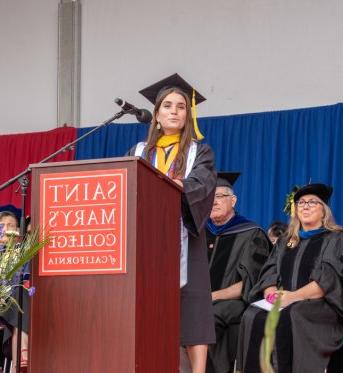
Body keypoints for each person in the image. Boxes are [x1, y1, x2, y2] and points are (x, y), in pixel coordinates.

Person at [127, 73, 217, 373]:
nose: (175, 111)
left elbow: (202, 182)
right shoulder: (138, 152)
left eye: (181, 106)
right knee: (146, 307)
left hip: (185, 237)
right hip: (144, 241)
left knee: (193, 310)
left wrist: (174, 184)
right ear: (156, 114)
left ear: (188, 115)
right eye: (167, 105)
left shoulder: (198, 151)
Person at [236, 183, 343, 373]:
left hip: (322, 305)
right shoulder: (286, 240)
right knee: (252, 314)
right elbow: (269, 272)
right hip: (285, 300)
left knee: (291, 315)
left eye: (312, 202)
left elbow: (328, 281)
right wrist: (271, 294)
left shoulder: (336, 239)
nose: (305, 206)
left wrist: (292, 297)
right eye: (301, 202)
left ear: (324, 211)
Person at [206, 172, 271, 373]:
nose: (213, 202)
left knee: (207, 315)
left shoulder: (251, 233)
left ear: (233, 200)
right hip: (200, 300)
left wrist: (212, 296)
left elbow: (251, 282)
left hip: (233, 302)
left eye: (219, 196)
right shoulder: (198, 232)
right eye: (209, 197)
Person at [0, 206, 29, 373]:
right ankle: (20, 356)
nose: (6, 229)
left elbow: (25, 277)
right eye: (2, 225)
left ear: (18, 230)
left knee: (20, 293)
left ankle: (20, 358)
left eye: (11, 225)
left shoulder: (23, 252)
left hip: (11, 301)